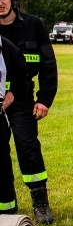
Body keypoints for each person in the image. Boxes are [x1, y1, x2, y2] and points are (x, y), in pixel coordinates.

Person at [0, 0, 58, 224]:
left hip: (22, 98)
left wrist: (44, 99)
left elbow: (48, 64)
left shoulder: (33, 25)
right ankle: (6, 207)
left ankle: (40, 201)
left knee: (28, 147)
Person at [0, 36, 27, 215]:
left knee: (2, 164)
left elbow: (21, 72)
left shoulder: (6, 46)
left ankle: (8, 211)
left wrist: (12, 92)